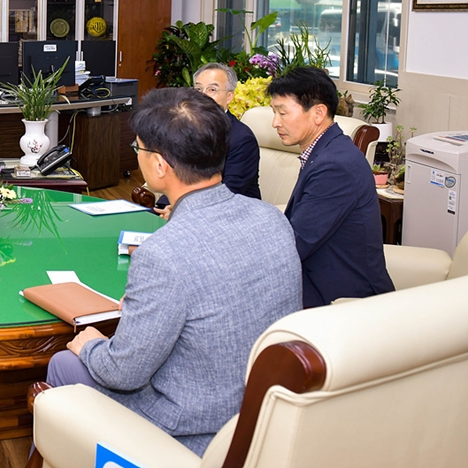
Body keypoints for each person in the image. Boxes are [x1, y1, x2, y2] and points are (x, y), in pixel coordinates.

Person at [45, 87, 302, 455]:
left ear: (161, 165)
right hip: (265, 420)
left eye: (138, 150)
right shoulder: (271, 219)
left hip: (193, 430)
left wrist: (90, 347)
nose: (138, 159)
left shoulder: (163, 254)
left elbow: (123, 373)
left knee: (65, 363)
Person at [266, 66, 394, 307]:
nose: (275, 122)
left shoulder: (336, 166)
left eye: (282, 113)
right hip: (318, 281)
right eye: (274, 112)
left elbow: (296, 242)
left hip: (342, 300)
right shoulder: (325, 152)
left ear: (318, 113)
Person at [155, 63, 260, 217]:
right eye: (198, 89)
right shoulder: (187, 131)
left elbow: (231, 191)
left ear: (229, 97)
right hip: (188, 212)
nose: (202, 96)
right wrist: (168, 206)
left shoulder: (242, 139)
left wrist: (182, 211)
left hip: (233, 216)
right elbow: (176, 177)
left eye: (212, 90)